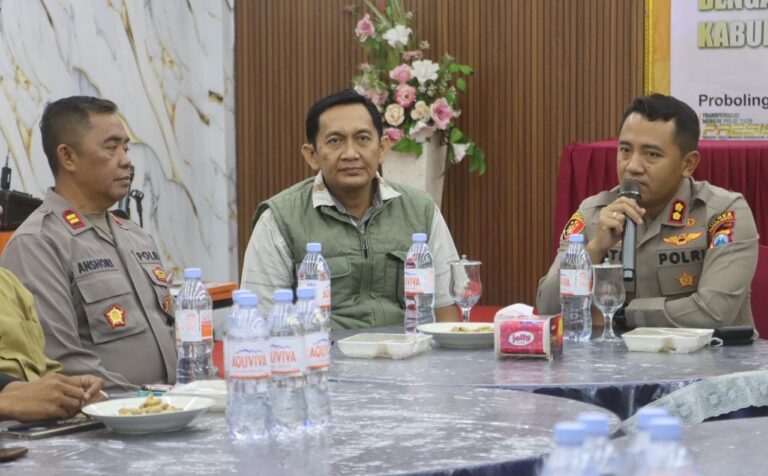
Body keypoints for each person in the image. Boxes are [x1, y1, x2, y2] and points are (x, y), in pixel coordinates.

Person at [241, 89, 460, 328]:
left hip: (408, 348)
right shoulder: (279, 219)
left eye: (363, 138)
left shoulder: (420, 210)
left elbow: (445, 309)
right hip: (321, 350)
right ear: (312, 155)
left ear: (382, 148)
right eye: (335, 141)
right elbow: (261, 318)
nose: (350, 154)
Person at [536, 94, 758, 331]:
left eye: (652, 154)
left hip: (710, 355)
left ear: (688, 164)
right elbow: (547, 307)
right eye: (625, 150)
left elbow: (714, 312)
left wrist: (620, 316)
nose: (632, 166)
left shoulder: (723, 213)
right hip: (612, 356)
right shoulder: (593, 213)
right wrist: (594, 250)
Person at [0, 96, 177, 391]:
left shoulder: (135, 236)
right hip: (103, 415)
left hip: (171, 406)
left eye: (126, 148)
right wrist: (145, 404)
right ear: (68, 157)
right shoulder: (39, 243)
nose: (126, 160)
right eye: (111, 148)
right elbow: (60, 362)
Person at [0, 205, 104, 421]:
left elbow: (37, 367)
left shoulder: (7, 283)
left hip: (37, 432)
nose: (1, 210)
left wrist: (70, 391)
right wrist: (8, 402)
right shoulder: (34, 240)